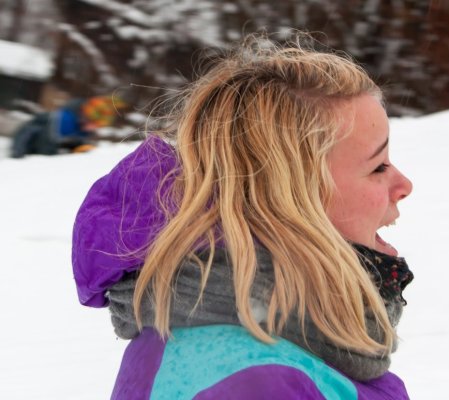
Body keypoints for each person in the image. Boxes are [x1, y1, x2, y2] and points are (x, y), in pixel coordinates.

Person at [72, 34, 414, 399]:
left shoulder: (278, 343)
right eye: (378, 167)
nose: (404, 185)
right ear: (288, 198)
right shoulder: (255, 382)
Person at [10, 95, 127, 158]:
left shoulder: (82, 131)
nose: (96, 128)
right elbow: (28, 132)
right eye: (96, 124)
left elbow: (71, 146)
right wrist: (18, 152)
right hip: (30, 157)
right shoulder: (61, 121)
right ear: (87, 118)